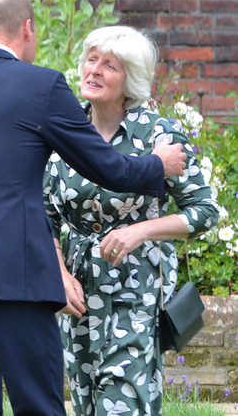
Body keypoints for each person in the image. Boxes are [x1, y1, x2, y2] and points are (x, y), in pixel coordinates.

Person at [0, 0, 188, 416]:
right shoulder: (41, 85)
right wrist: (158, 164)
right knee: (39, 406)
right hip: (12, 274)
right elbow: (109, 170)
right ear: (28, 28)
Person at [44, 25, 219, 416]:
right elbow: (46, 216)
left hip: (135, 294)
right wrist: (58, 274)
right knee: (88, 403)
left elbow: (205, 211)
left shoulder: (158, 134)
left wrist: (140, 231)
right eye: (91, 59)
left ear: (131, 79)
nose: (95, 70)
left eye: (110, 65)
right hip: (77, 294)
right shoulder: (65, 131)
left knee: (123, 404)